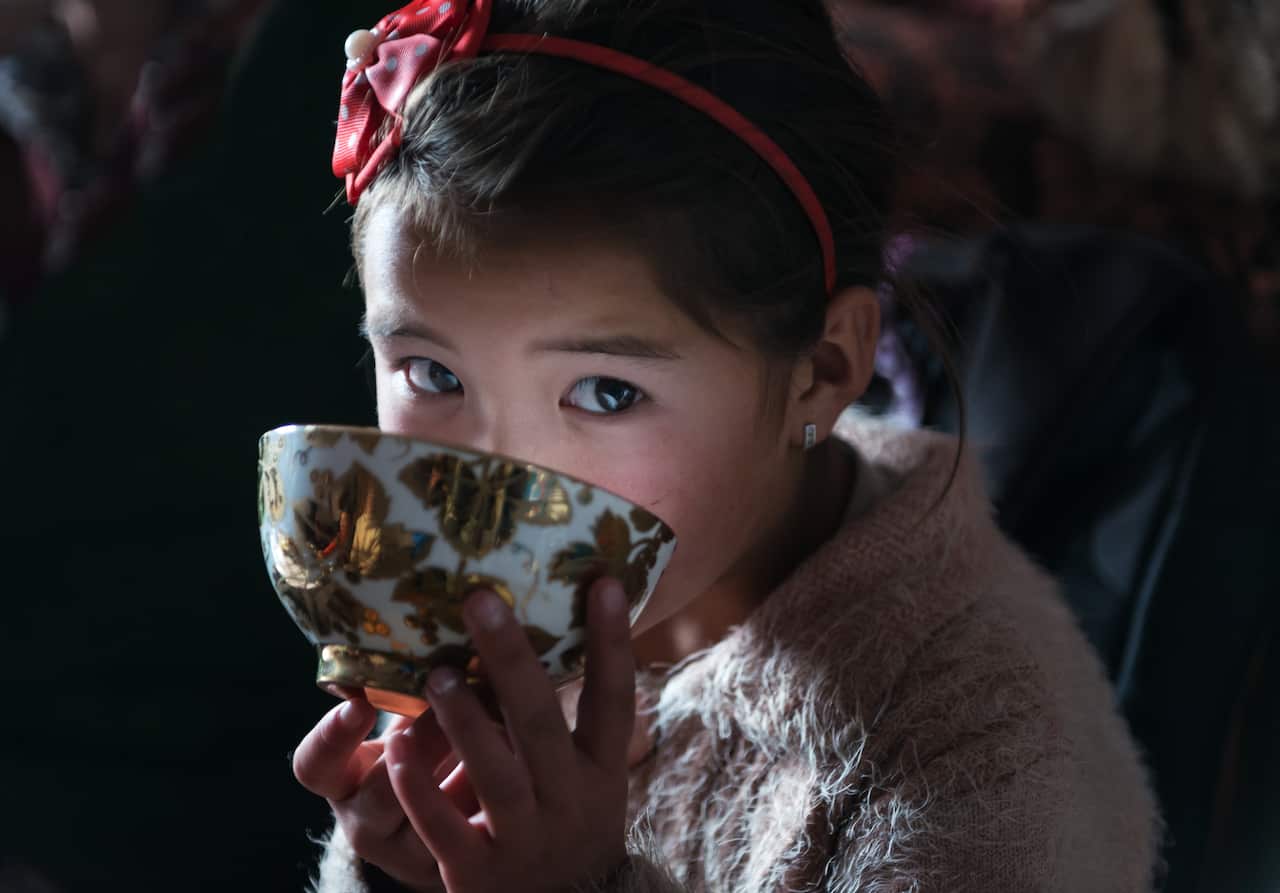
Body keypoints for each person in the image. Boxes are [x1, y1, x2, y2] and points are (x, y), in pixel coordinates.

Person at [289, 1, 1160, 890]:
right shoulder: (520, 633)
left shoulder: (987, 771)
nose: (491, 484)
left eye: (606, 392)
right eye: (434, 375)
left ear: (820, 371)